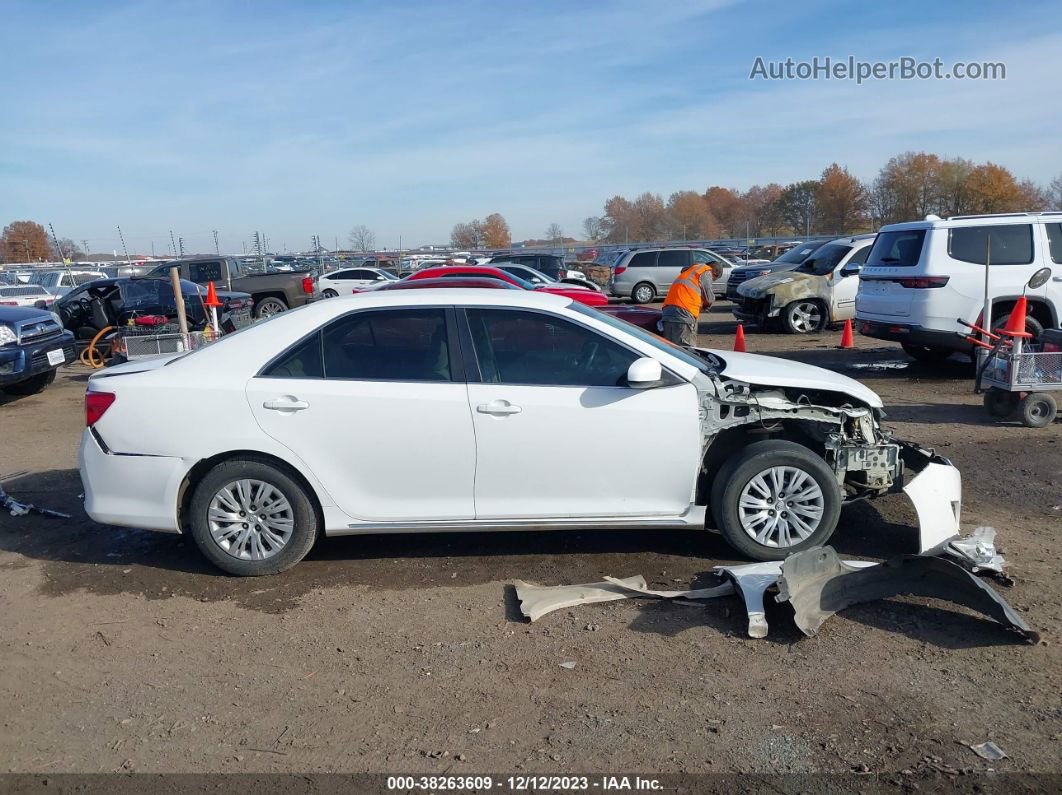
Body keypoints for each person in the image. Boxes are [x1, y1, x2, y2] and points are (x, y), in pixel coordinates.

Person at [661, 260, 715, 346]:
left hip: (668, 311)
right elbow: (709, 299)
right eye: (714, 279)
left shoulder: (689, 272)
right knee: (686, 350)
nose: (713, 281)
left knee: (670, 348)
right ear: (715, 272)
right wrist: (705, 306)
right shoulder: (706, 271)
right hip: (684, 313)